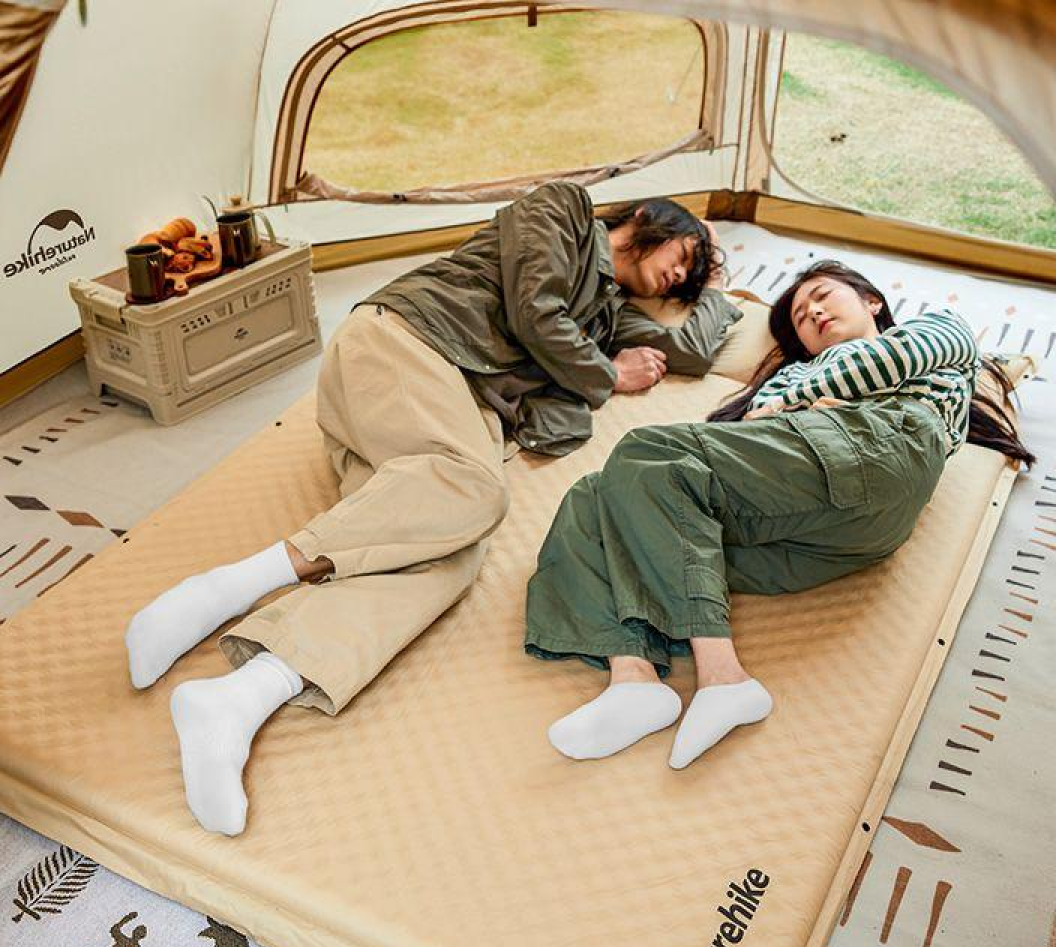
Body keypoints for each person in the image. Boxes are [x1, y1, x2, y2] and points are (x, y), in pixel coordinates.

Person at [123, 181, 739, 834]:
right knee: (477, 489)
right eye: (684, 253)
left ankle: (240, 697)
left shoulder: (609, 318)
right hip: (411, 346)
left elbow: (693, 351)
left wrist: (716, 279)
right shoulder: (563, 210)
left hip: (453, 414)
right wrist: (608, 373)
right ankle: (226, 588)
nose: (681, 273)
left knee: (452, 558)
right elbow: (535, 308)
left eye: (688, 276)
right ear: (647, 217)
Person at [525, 260, 1033, 769]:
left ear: (872, 301)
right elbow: (750, 433)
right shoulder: (790, 377)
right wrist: (792, 404)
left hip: (879, 450)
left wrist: (794, 405)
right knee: (596, 496)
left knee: (647, 450)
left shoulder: (938, 327)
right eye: (800, 318)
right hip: (818, 527)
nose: (812, 313)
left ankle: (722, 676)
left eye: (822, 295)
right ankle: (632, 678)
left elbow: (881, 365)